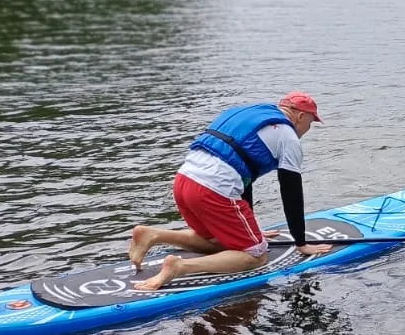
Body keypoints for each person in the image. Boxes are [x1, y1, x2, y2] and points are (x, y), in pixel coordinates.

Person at [127, 93, 333, 291]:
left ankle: (153, 234)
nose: (308, 128)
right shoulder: (288, 137)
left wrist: (251, 233)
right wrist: (301, 243)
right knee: (257, 256)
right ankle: (179, 267)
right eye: (311, 122)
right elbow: (291, 191)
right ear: (300, 115)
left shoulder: (251, 114)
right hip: (213, 189)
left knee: (219, 241)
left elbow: (245, 179)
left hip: (184, 180)